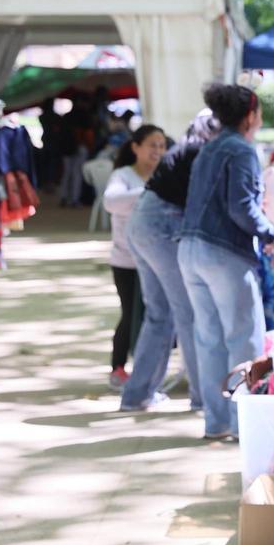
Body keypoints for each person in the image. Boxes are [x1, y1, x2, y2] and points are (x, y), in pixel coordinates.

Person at [179, 84, 274, 440]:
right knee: (244, 340)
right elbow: (242, 205)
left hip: (189, 249)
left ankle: (217, 422)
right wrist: (270, 233)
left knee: (208, 340)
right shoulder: (241, 150)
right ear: (251, 115)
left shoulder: (208, 147)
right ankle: (245, 428)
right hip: (222, 252)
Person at [120, 111, 222, 413]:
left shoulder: (185, 148)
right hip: (162, 226)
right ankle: (203, 398)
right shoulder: (201, 151)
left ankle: (137, 395)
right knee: (188, 312)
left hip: (142, 224)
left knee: (160, 314)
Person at [102, 124, 168, 389]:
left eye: (162, 145)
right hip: (127, 260)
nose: (158, 150)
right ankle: (118, 367)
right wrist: (150, 193)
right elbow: (111, 202)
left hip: (158, 260)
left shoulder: (166, 174)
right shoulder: (123, 175)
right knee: (130, 314)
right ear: (136, 147)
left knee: (156, 316)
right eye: (152, 144)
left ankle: (148, 369)